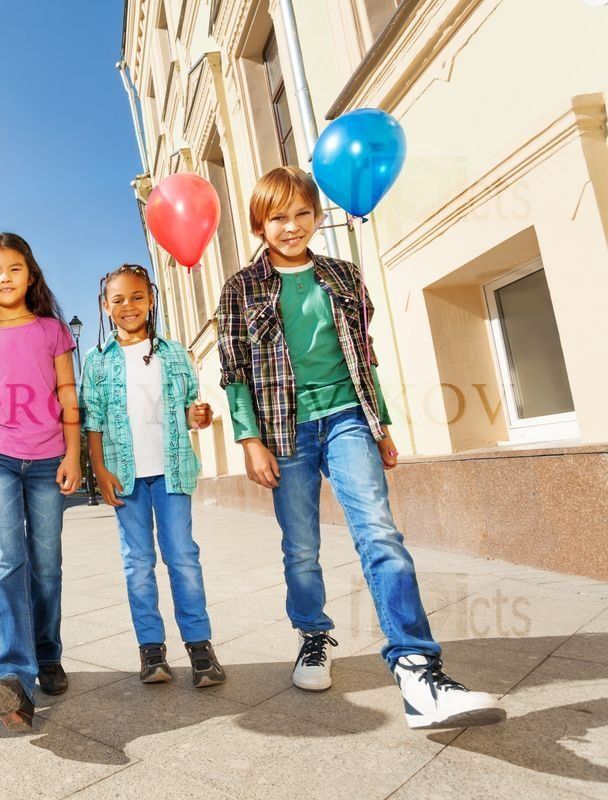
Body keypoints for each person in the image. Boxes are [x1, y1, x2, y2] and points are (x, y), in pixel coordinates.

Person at [215, 166, 505, 730]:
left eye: (303, 213)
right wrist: (249, 440)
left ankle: (417, 669)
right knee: (301, 547)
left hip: (349, 416)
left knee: (379, 533)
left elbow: (364, 355)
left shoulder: (344, 276)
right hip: (284, 430)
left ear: (316, 215)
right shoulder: (240, 288)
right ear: (259, 225)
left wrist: (383, 425)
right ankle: (313, 636)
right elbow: (234, 371)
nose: (292, 226)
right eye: (278, 217)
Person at [0, 232, 81, 731]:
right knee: (6, 561)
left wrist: (74, 454)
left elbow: (68, 394)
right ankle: (11, 673)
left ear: (30, 275)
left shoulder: (53, 330)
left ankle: (47, 655)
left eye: (14, 268)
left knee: (46, 565)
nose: (5, 278)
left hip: (49, 458)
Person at [82, 263, 225, 687]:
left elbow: (188, 409)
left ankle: (200, 649)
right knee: (138, 562)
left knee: (182, 557)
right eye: (119, 299)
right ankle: (151, 651)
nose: (128, 306)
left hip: (171, 471)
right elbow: (93, 420)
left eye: (137, 297)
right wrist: (99, 471)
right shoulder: (96, 360)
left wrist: (197, 416)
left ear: (150, 300)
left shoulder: (174, 353)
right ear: (105, 306)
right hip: (124, 477)